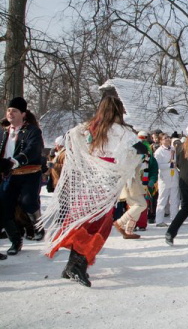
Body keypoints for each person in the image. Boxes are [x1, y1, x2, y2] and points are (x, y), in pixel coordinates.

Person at [42, 95, 146, 287]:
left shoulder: (89, 127)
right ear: (118, 110)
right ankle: (77, 266)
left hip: (89, 181)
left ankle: (72, 265)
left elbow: (68, 137)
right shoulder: (122, 131)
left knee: (84, 220)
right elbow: (141, 148)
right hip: (106, 183)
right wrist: (126, 162)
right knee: (97, 224)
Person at [0, 97, 45, 256]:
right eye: (9, 110)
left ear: (23, 114)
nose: (10, 113)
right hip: (9, 175)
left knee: (28, 202)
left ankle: (38, 227)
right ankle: (15, 241)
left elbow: (33, 149)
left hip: (29, 174)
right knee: (4, 207)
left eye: (14, 111)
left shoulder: (32, 131)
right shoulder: (3, 131)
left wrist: (14, 161)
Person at [153, 133, 181, 228]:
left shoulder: (173, 149)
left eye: (168, 138)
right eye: (165, 138)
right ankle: (159, 220)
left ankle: (175, 219)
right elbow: (158, 165)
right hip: (164, 178)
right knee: (162, 199)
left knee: (175, 199)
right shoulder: (158, 152)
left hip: (174, 176)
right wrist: (169, 165)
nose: (167, 139)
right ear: (161, 140)